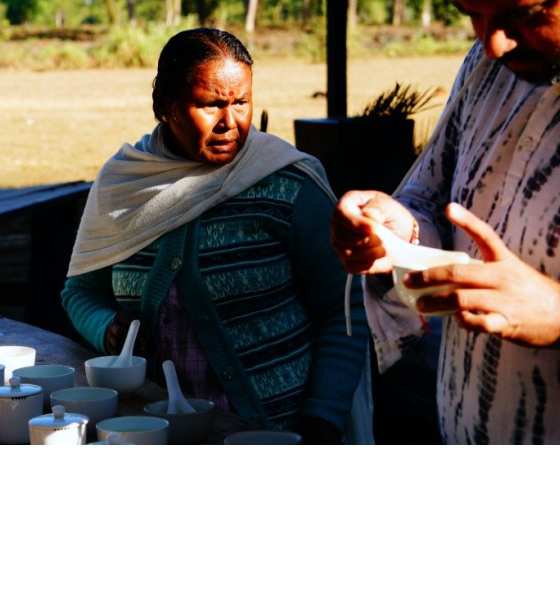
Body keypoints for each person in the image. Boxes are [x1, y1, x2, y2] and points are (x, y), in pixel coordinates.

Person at [329, 0, 560, 445]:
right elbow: (434, 194)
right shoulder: (487, 64)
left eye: (526, 10)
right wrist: (399, 229)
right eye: (468, 11)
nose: (492, 43)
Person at [61, 28, 370, 444]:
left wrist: (323, 419)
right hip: (151, 430)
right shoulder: (124, 184)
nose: (230, 123)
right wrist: (108, 328)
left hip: (272, 433)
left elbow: (345, 309)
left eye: (241, 102)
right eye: (209, 105)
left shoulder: (287, 184)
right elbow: (80, 291)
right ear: (163, 105)